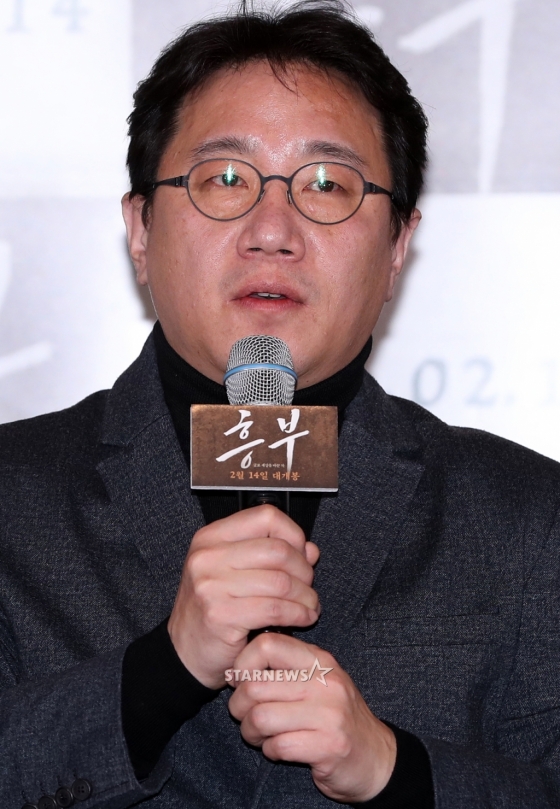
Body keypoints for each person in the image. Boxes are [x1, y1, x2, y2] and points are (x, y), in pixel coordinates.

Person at [1, 2, 559, 807]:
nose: (272, 230)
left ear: (398, 246)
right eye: (225, 179)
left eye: (327, 184)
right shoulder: (12, 495)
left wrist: (396, 770)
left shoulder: (526, 518)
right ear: (140, 229)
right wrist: (160, 672)